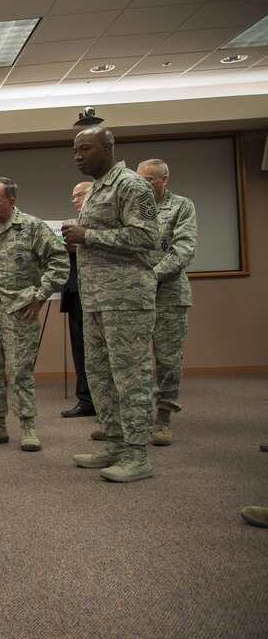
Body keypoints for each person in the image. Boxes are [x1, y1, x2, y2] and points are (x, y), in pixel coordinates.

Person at [63, 126, 159, 483]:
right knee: (101, 377)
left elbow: (147, 237)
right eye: (75, 151)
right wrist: (79, 242)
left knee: (130, 378)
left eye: (85, 149)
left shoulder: (132, 185)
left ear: (108, 147)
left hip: (126, 300)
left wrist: (88, 235)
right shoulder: (95, 190)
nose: (78, 156)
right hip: (96, 299)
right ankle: (116, 444)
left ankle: (138, 454)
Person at [0, 178, 69, 452]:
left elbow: (59, 262)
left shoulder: (32, 227)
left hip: (20, 311)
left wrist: (41, 296)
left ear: (11, 201)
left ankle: (28, 427)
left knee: (21, 371)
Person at [137, 158, 197, 447]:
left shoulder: (181, 206)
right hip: (134, 296)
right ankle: (135, 419)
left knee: (168, 360)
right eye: (139, 180)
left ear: (164, 180)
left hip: (169, 295)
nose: (143, 185)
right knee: (133, 360)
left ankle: (163, 418)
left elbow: (184, 248)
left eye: (148, 180)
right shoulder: (133, 207)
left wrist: (152, 276)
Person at [61, 181, 97, 422]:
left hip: (99, 292)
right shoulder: (71, 225)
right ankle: (85, 400)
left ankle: (106, 401)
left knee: (102, 350)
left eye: (79, 195)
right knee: (80, 349)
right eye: (72, 196)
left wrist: (85, 242)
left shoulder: (103, 222)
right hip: (75, 291)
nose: (75, 200)